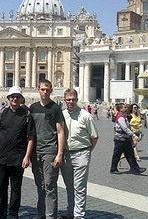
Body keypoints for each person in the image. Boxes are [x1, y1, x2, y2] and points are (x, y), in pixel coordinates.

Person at [0, 86, 35, 219]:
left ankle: (13, 213)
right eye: (12, 96)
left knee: (16, 188)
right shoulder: (1, 113)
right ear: (8, 98)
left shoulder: (27, 115)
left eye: (17, 96)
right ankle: (1, 212)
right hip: (2, 157)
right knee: (1, 188)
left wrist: (27, 156)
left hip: (18, 157)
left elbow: (31, 137)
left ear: (22, 99)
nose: (14, 99)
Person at [60, 89, 99, 219]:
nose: (70, 102)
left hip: (81, 153)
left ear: (77, 100)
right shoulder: (61, 115)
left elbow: (94, 137)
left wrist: (87, 151)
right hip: (65, 154)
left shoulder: (86, 116)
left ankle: (79, 215)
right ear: (64, 100)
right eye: (68, 100)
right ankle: (70, 212)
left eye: (73, 99)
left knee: (79, 187)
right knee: (69, 186)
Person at [30, 79, 65, 219]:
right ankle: (41, 214)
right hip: (35, 152)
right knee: (40, 185)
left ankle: (51, 216)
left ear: (51, 91)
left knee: (50, 185)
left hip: (50, 151)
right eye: (43, 89)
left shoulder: (55, 108)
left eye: (47, 89)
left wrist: (59, 154)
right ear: (38, 90)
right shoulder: (32, 108)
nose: (45, 92)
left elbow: (61, 131)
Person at [110, 103, 146, 175]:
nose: (126, 108)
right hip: (120, 139)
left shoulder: (124, 116)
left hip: (125, 138)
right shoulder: (120, 117)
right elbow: (125, 128)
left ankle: (135, 168)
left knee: (130, 154)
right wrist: (133, 135)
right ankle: (113, 169)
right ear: (120, 109)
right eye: (124, 107)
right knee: (117, 154)